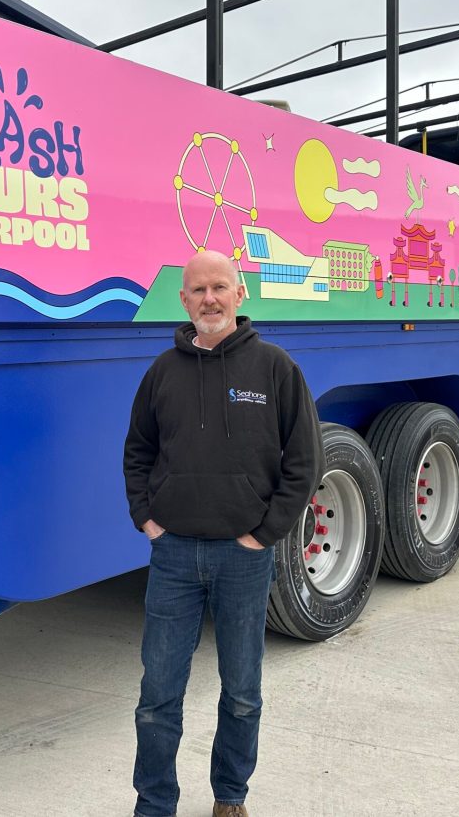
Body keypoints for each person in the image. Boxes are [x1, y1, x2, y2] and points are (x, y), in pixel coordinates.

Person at [123, 250, 322, 817]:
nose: (209, 299)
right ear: (183, 300)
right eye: (198, 290)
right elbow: (137, 452)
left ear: (240, 293)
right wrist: (146, 518)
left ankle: (230, 796)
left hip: (243, 558)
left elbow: (304, 461)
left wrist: (264, 534)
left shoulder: (276, 368)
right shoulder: (162, 372)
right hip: (173, 556)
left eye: (219, 287)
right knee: (157, 695)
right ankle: (154, 804)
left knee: (241, 692)